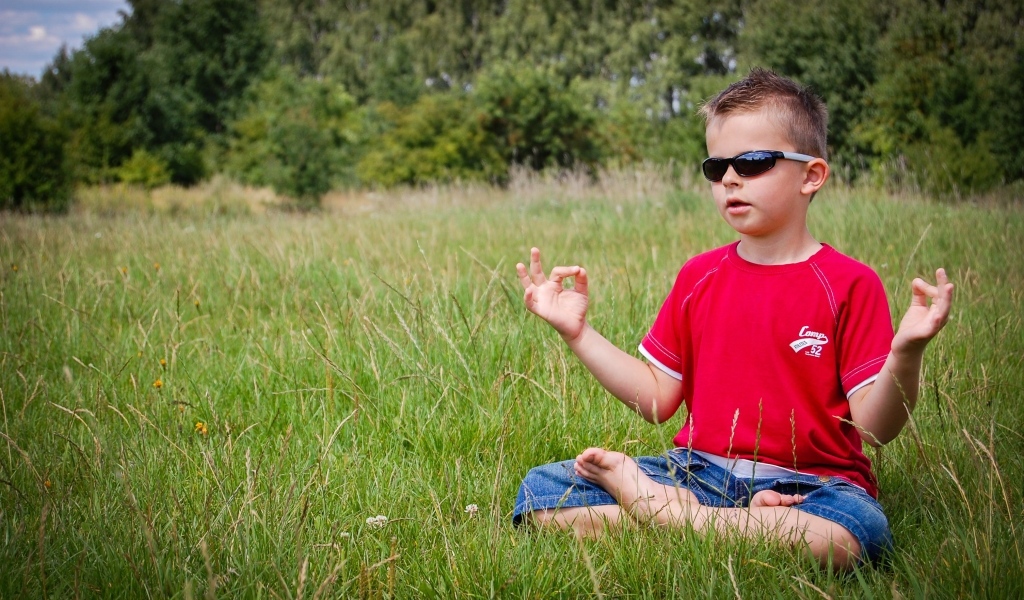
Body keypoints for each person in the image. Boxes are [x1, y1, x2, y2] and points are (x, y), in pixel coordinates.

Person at [511, 68, 954, 569]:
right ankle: (714, 522)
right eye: (716, 166)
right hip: (698, 473)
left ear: (812, 175)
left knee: (852, 537)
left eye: (754, 161)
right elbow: (659, 399)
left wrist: (906, 352)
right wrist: (578, 333)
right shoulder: (699, 276)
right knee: (542, 493)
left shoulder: (849, 283)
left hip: (814, 486)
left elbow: (874, 430)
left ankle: (668, 517)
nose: (729, 179)